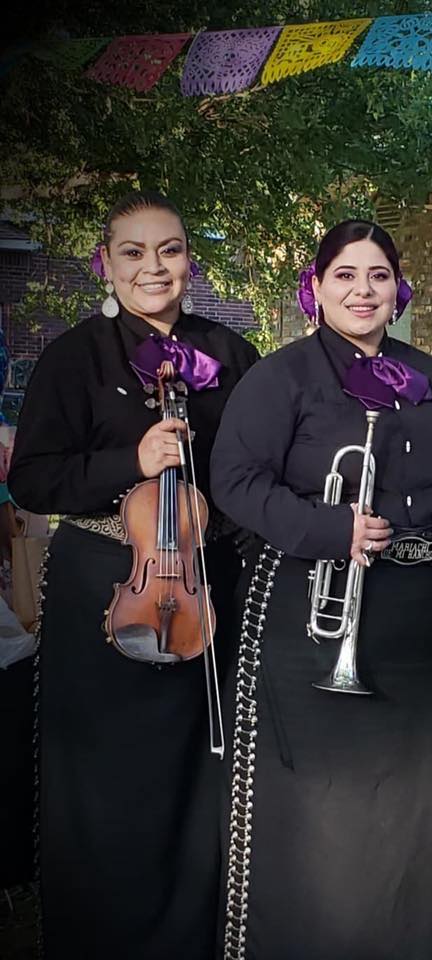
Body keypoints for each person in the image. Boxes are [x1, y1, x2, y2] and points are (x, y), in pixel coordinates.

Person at [210, 220, 432, 960]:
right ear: (317, 287)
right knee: (323, 818)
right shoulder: (283, 376)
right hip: (312, 617)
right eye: (345, 276)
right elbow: (233, 480)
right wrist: (330, 529)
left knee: (419, 807)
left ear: (399, 289)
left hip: (420, 621)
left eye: (378, 276)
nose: (363, 291)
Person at [7, 190, 260, 958]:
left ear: (189, 261)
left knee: (199, 767)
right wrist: (132, 460)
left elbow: (257, 469)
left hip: (206, 587)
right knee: (110, 775)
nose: (154, 267)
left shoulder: (229, 352)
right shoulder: (74, 356)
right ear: (105, 264)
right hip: (105, 587)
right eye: (133, 252)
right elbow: (35, 480)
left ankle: (195, 937)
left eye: (169, 250)